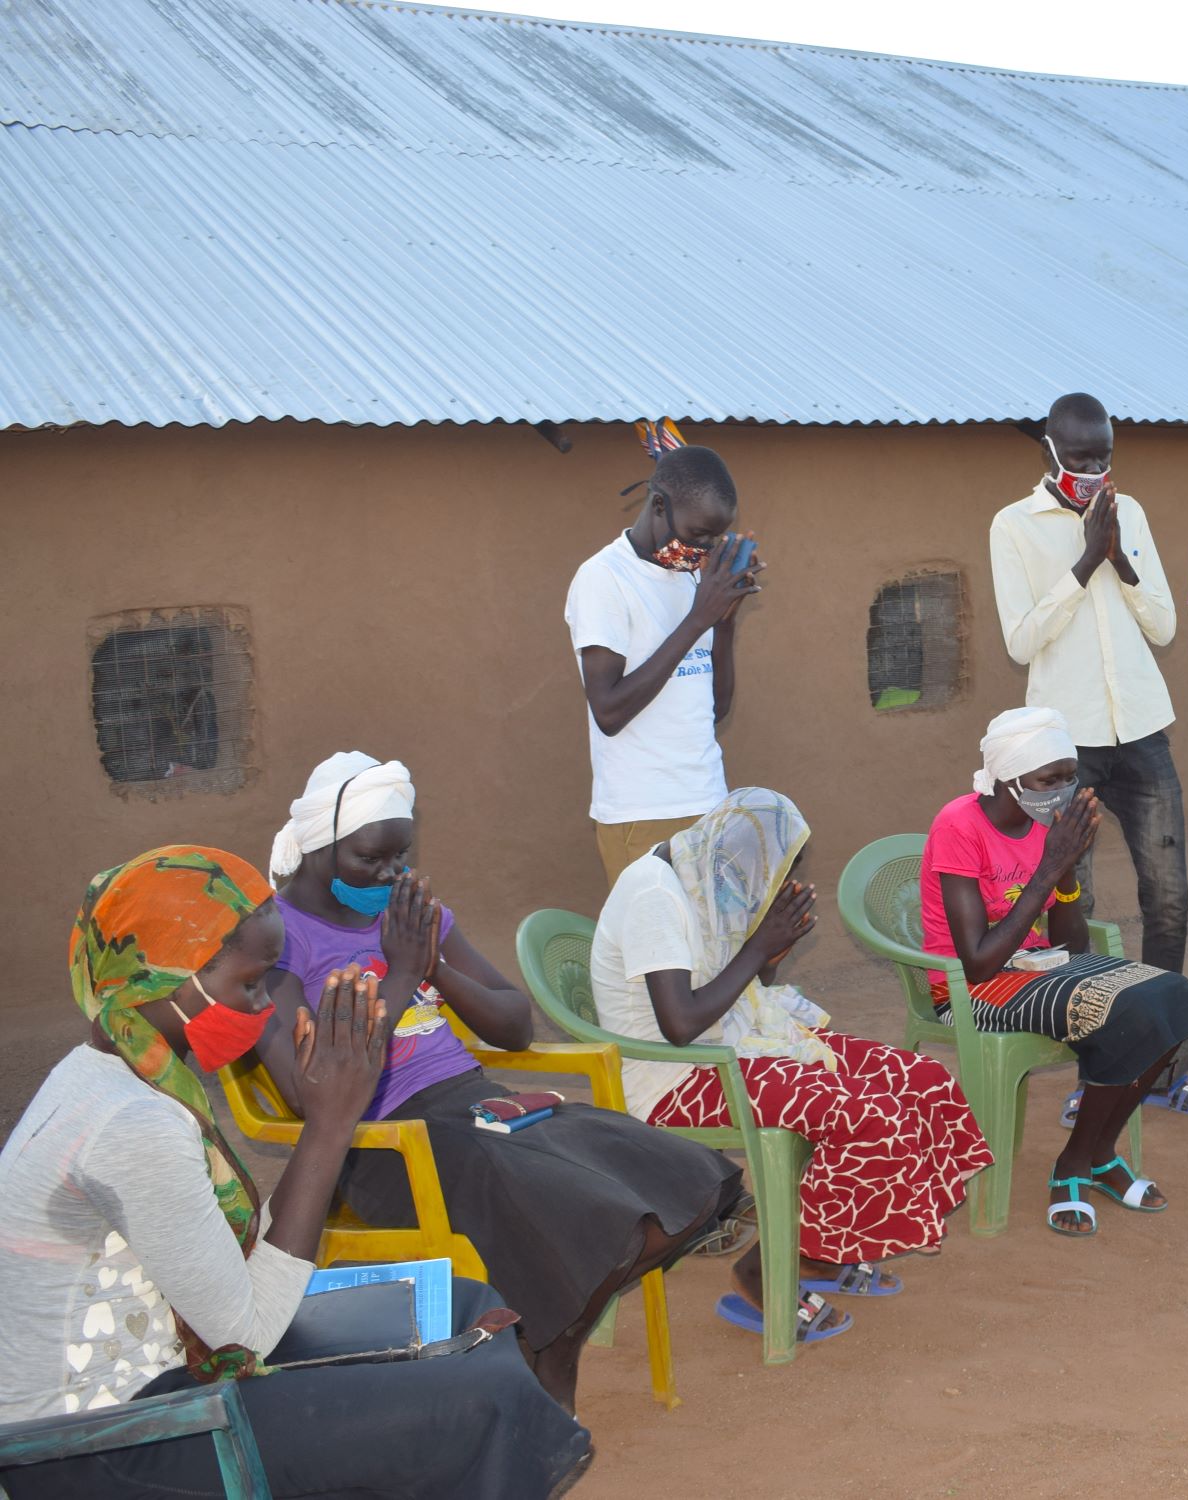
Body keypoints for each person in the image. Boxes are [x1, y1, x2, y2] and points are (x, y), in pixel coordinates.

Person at [0, 847, 589, 1499]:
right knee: (478, 1396)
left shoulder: (102, 1072)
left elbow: (236, 1286)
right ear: (166, 980)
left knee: (463, 1306)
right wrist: (330, 1126)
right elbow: (246, 1336)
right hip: (94, 1448)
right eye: (250, 984)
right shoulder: (132, 1123)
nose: (260, 1010)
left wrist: (327, 1120)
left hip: (167, 1371)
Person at [258, 752, 747, 1408]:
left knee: (679, 1182)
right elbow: (308, 1088)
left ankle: (553, 1341)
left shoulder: (405, 912)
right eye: (370, 859)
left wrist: (432, 966)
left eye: (398, 857)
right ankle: (550, 1355)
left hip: (478, 1103)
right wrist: (399, 977)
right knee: (594, 1218)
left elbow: (513, 1024)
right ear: (321, 846)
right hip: (383, 1138)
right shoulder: (276, 939)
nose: (388, 873)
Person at [590, 787, 994, 1341]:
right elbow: (679, 1025)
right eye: (776, 870)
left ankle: (823, 1253)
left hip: (731, 1043)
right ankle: (764, 1270)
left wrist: (768, 955)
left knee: (920, 1080)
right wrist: (759, 949)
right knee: (864, 1113)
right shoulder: (654, 896)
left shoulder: (709, 876)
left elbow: (741, 986)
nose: (776, 882)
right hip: (673, 1076)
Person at [987, 395, 1188, 1114]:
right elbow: (1021, 641)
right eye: (1080, 458)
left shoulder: (1131, 512)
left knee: (1170, 899)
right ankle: (1098, 1071)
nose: (1093, 471)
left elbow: (1164, 626)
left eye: (1103, 458)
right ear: (1050, 453)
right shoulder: (1013, 526)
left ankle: (1161, 1064)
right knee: (1073, 906)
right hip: (1068, 746)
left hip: (1143, 729)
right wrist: (1084, 563)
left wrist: (1119, 557)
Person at [921, 708, 1188, 1236]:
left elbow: (1070, 943)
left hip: (1042, 969)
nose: (1061, 791)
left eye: (1068, 776)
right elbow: (978, 961)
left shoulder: (1048, 827)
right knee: (1119, 1012)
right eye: (1047, 779)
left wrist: (1066, 871)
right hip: (972, 988)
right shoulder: (958, 825)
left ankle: (1097, 1152)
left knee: (1175, 1000)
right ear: (1009, 778)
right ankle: (1073, 1166)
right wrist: (1048, 867)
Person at [566, 436, 764, 888]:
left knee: (710, 954)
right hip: (643, 812)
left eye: (714, 538)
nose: (702, 549)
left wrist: (725, 621)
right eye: (696, 535)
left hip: (708, 799)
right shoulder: (603, 579)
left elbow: (717, 710)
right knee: (660, 956)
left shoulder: (693, 578)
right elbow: (609, 712)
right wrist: (699, 619)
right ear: (659, 506)